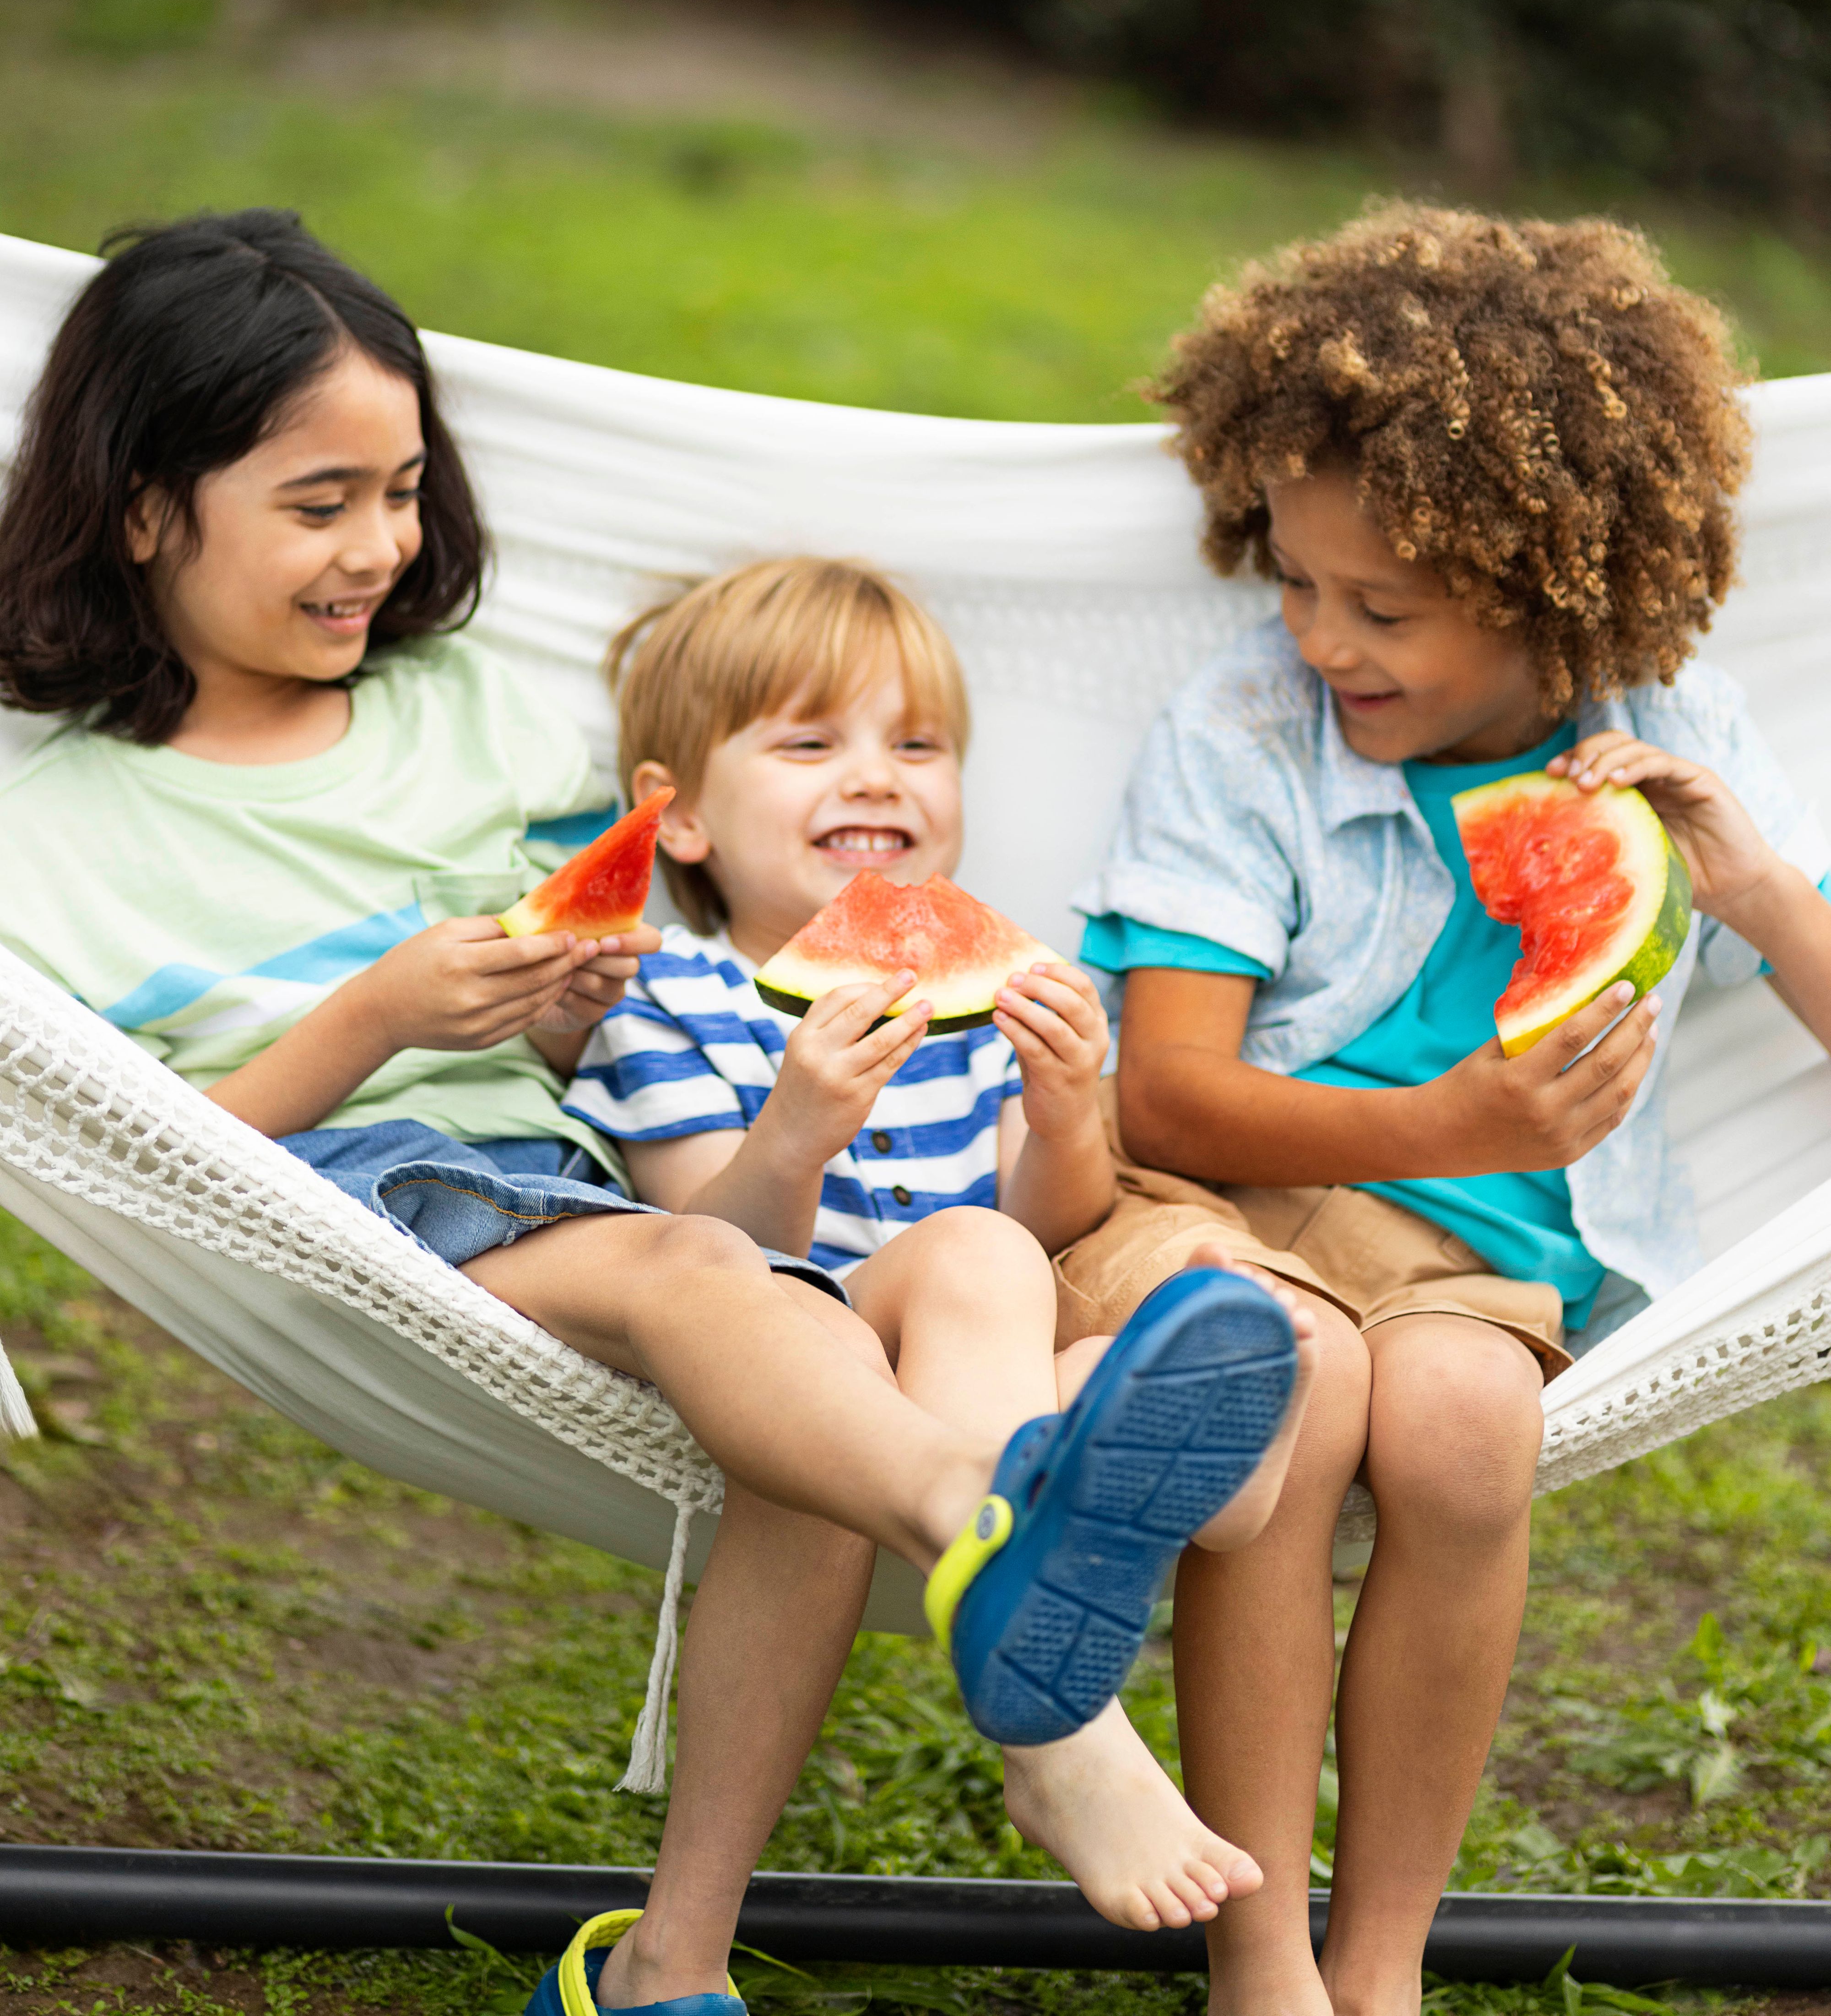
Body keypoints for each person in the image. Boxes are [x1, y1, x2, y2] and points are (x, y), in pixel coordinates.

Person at [0, 209, 1309, 2016]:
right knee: (728, 1285)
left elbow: (626, 957)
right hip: (331, 1198)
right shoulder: (45, 822)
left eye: (400, 491)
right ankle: (1001, 1552)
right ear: (145, 504)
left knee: (836, 1344)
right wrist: (376, 1017)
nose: (377, 547)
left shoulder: (468, 714)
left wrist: (579, 1002)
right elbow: (140, 1153)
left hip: (583, 1188)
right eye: (317, 505)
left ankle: (667, 1963)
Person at [1059, 205, 1831, 2016]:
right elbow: (1163, 1094)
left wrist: (1748, 890)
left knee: (1469, 1435)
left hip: (1496, 1259)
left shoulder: (1674, 730)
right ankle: (1260, 1956)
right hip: (1242, 1209)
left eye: (1381, 607)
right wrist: (1451, 1125)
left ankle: (1381, 1959)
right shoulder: (1245, 727)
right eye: (1297, 587)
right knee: (1291, 1394)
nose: (1324, 638)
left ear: (1558, 588)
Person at [563, 553, 1316, 1925]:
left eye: (920, 744)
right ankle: (1061, 1744)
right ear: (673, 822)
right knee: (973, 1255)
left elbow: (1052, 1219)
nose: (877, 777)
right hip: (789, 1352)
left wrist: (1066, 1108)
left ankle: (1142, 1458)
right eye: (810, 742)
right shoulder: (670, 998)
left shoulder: (987, 998)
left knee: (1063, 1273)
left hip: (967, 1357)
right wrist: (794, 1129)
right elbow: (705, 1257)